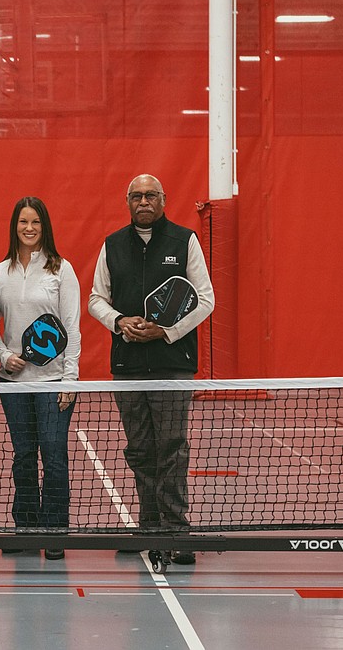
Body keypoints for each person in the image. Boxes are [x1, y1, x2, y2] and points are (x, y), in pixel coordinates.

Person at [87, 174, 214, 565]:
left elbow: (205, 300)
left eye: (151, 195)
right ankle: (148, 523)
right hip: (127, 366)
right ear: (128, 201)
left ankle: (177, 531)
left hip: (172, 366)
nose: (144, 201)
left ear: (163, 199)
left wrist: (165, 330)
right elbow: (96, 299)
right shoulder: (112, 246)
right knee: (140, 448)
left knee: (172, 448)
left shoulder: (185, 240)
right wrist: (120, 322)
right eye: (137, 196)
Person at [0, 197, 81, 561]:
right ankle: (25, 526)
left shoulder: (61, 270)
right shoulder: (0, 272)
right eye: (23, 222)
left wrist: (69, 378)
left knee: (54, 456)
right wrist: (3, 355)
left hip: (53, 382)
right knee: (24, 455)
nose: (29, 228)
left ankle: (55, 530)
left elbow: (71, 326)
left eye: (36, 223)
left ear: (45, 227)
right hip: (14, 383)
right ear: (14, 226)